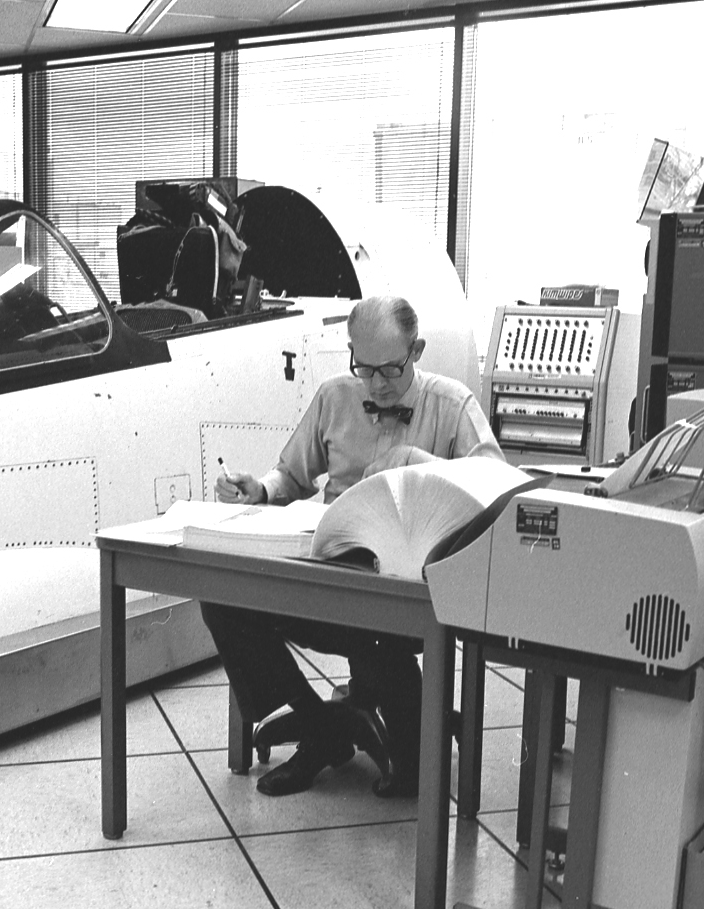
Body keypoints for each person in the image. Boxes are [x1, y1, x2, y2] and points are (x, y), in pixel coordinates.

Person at [204, 294, 505, 797]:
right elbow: (291, 474)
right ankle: (317, 722)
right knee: (223, 598)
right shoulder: (335, 396)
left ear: (418, 350)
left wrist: (421, 461)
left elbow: (493, 483)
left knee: (376, 637)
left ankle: (409, 748)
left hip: (410, 591)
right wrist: (261, 489)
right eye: (363, 369)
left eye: (389, 369)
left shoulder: (452, 405)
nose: (377, 385)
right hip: (331, 573)